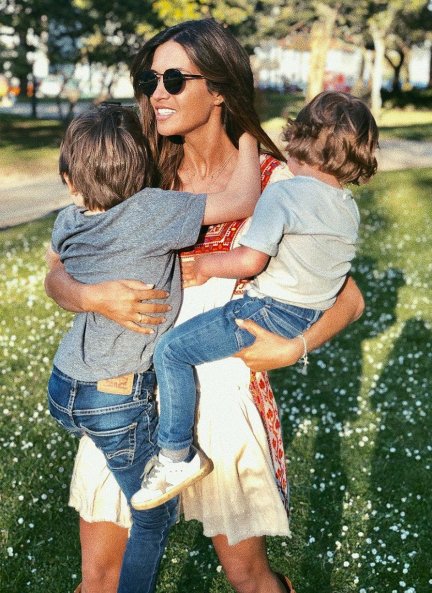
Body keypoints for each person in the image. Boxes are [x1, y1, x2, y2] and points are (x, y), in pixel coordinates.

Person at [44, 19, 365, 593]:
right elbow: (56, 268)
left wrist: (295, 346)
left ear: (218, 89)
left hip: (221, 395)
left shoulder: (279, 181)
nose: (155, 93)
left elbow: (349, 297)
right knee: (100, 576)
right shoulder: (135, 164)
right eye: (149, 79)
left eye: (173, 79)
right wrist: (91, 296)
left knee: (247, 575)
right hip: (128, 392)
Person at [46, 104, 261, 593]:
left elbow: (55, 268)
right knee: (154, 511)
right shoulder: (153, 209)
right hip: (113, 397)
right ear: (143, 171)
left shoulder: (67, 220)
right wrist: (247, 138)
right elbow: (243, 198)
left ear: (68, 178)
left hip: (65, 386)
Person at [131, 90, 378, 510]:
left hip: (265, 311)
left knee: (171, 351)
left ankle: (175, 455)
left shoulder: (285, 194)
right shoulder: (346, 206)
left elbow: (250, 260)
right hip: (306, 316)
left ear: (299, 140)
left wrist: (206, 266)